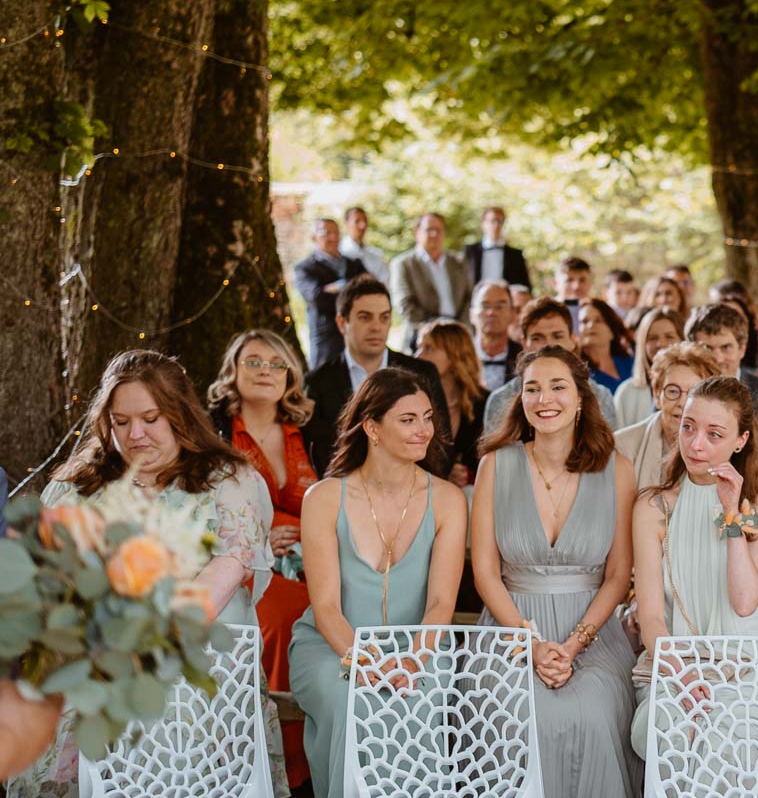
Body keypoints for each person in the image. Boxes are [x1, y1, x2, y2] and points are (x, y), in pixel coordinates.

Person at [14, 350, 284, 798]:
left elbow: (229, 567)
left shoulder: (229, 480)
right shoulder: (76, 486)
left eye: (151, 418)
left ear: (180, 415)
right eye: (120, 422)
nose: (134, 434)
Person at [288, 369, 468, 798]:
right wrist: (366, 662)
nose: (424, 430)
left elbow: (441, 602)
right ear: (372, 426)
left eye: (427, 417)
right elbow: (327, 606)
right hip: (333, 645)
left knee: (416, 700)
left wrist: (412, 661)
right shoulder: (325, 499)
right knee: (348, 699)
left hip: (421, 645)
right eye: (408, 420)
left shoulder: (447, 499)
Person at [470, 348, 642, 796]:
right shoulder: (495, 465)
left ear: (582, 398)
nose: (544, 398)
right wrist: (531, 644)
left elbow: (619, 575)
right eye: (532, 388)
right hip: (511, 629)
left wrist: (572, 644)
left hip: (592, 631)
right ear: (520, 399)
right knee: (523, 712)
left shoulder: (617, 470)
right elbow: (485, 572)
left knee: (593, 711)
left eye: (557, 386)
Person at [630, 376, 758, 758]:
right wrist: (681, 675)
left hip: (749, 665)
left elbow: (746, 601)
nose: (696, 444)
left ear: (741, 440)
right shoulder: (653, 508)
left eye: (714, 434)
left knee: (723, 742)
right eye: (688, 427)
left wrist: (732, 514)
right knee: (662, 734)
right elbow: (650, 617)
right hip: (674, 663)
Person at [207, 329, 319, 790]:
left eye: (276, 363)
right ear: (232, 372)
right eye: (253, 362)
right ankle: (284, 769)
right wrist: (259, 536)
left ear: (290, 375)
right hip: (247, 565)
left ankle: (317, 760)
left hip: (314, 562)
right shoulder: (213, 432)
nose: (265, 372)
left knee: (329, 612)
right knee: (279, 622)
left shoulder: (311, 431)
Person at [303, 275, 450, 477]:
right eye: (365, 317)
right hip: (345, 492)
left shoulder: (422, 373)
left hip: (415, 490)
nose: (376, 326)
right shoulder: (317, 382)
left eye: (384, 317)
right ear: (341, 322)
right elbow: (320, 453)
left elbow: (440, 442)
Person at [483, 297, 620, 431]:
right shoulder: (500, 400)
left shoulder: (600, 396)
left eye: (557, 336)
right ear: (524, 343)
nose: (548, 345)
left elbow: (607, 450)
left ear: (572, 340)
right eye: (537, 338)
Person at [686, 303, 758, 464]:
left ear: (742, 349)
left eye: (726, 347)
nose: (717, 358)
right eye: (707, 348)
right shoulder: (679, 392)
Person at [614, 342, 720, 491]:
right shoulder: (621, 447)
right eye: (673, 391)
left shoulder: (726, 447)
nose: (682, 403)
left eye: (693, 393)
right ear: (657, 395)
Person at [416, 319, 491, 485]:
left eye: (429, 348)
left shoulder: (485, 402)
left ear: (453, 354)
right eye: (419, 347)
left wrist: (468, 475)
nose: (418, 355)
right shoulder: (415, 401)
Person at [390, 213, 474, 351]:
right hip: (421, 339)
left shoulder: (458, 261)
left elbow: (469, 297)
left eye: (439, 230)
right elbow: (404, 304)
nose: (434, 234)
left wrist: (459, 329)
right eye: (429, 229)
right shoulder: (403, 264)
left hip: (458, 337)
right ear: (417, 233)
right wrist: (435, 331)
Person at [294, 218, 368, 370]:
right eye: (326, 233)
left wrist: (335, 288)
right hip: (326, 338)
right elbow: (317, 298)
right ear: (314, 237)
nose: (333, 237)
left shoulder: (354, 264)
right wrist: (352, 287)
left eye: (336, 232)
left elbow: (370, 291)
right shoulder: (305, 268)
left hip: (358, 334)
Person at [613, 307, 685, 429]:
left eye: (669, 337)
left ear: (683, 340)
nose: (660, 344)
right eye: (652, 338)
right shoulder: (626, 392)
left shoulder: (697, 389)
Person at [462, 205, 532, 290]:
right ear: (483, 223)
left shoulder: (515, 255)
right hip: (475, 300)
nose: (496, 225)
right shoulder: (470, 251)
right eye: (492, 221)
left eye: (500, 221)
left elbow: (524, 285)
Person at [470, 280, 523, 390]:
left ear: (513, 314)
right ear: (471, 315)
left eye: (499, 307)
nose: (491, 312)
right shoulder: (458, 356)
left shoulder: (523, 357)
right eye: (485, 306)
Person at [339, 206, 388, 285]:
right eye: (357, 221)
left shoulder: (377, 254)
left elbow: (385, 281)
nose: (363, 225)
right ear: (346, 224)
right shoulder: (339, 252)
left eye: (365, 220)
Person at [555, 256, 593, 330]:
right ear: (556, 283)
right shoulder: (545, 311)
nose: (576, 286)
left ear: (590, 283)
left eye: (582, 280)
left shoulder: (599, 312)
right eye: (569, 280)